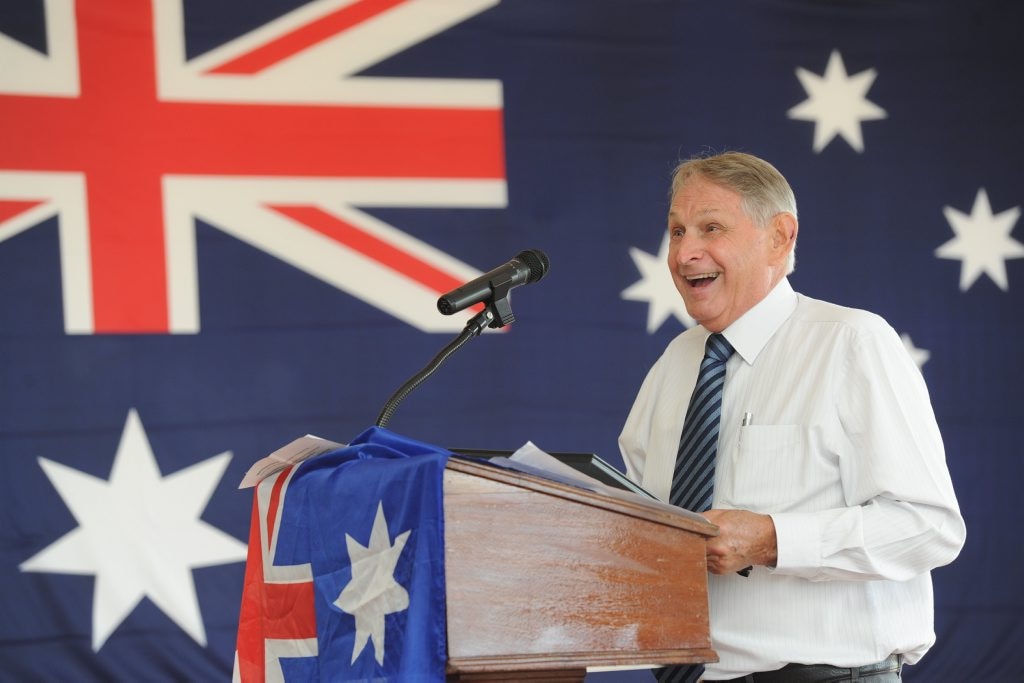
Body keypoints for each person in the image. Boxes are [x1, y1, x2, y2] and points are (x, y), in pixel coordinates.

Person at [618, 151, 966, 682]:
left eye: (711, 228)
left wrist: (772, 539)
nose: (686, 253)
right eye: (677, 231)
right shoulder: (674, 364)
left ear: (779, 237)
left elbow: (929, 527)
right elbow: (637, 523)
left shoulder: (852, 343)